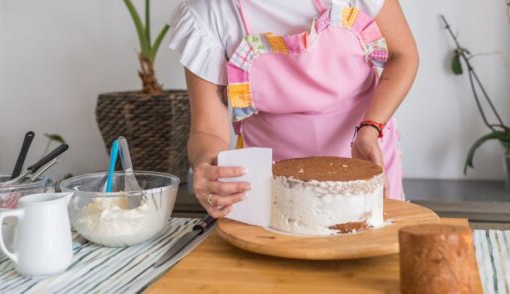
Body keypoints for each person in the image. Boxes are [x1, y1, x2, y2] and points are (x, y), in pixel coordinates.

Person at [169, 0, 418, 218]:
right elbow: (208, 132)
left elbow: (403, 55)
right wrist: (207, 167)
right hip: (273, 188)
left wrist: (371, 129)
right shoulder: (209, 13)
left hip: (365, 162)